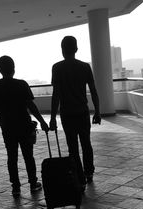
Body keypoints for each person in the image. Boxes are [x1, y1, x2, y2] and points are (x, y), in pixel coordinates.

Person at [0, 55, 49, 196]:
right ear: (13, 68)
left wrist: (5, 114)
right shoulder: (21, 84)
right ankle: (33, 183)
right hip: (24, 125)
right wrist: (42, 121)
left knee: (12, 156)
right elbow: (31, 105)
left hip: (7, 126)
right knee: (28, 155)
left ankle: (15, 187)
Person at [49, 36, 101, 190]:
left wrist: (52, 117)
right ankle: (89, 173)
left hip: (67, 114)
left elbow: (56, 94)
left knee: (73, 148)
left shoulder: (57, 68)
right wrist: (97, 111)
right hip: (82, 112)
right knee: (86, 144)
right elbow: (93, 91)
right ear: (76, 49)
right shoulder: (85, 67)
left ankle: (80, 178)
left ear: (62, 50)